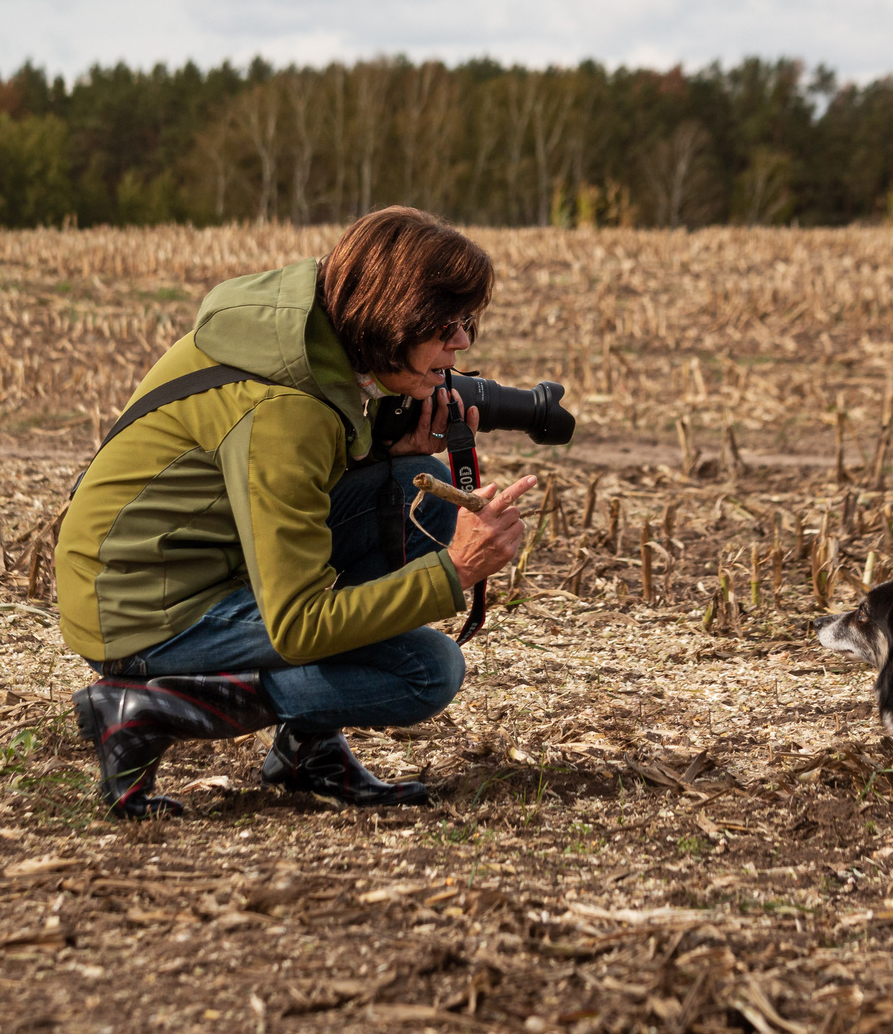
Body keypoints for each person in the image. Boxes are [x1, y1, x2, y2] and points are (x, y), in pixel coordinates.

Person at [54, 207, 535, 818]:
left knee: (413, 487)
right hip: (145, 609)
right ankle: (147, 708)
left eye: (467, 322)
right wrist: (455, 572)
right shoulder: (287, 408)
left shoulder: (301, 338)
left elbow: (279, 488)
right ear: (393, 315)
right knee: (426, 671)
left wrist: (386, 452)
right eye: (445, 324)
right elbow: (300, 624)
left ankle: (307, 752)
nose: (462, 342)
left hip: (173, 561)